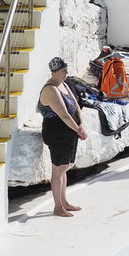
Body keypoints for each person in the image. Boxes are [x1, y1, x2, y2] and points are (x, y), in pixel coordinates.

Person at [39, 56, 87, 217]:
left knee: (64, 168)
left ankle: (64, 202)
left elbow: (77, 108)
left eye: (66, 70)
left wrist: (81, 125)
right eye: (63, 71)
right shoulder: (50, 89)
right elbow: (63, 114)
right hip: (57, 134)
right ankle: (58, 207)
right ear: (54, 72)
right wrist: (79, 130)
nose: (66, 73)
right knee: (58, 171)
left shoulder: (64, 84)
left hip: (69, 132)